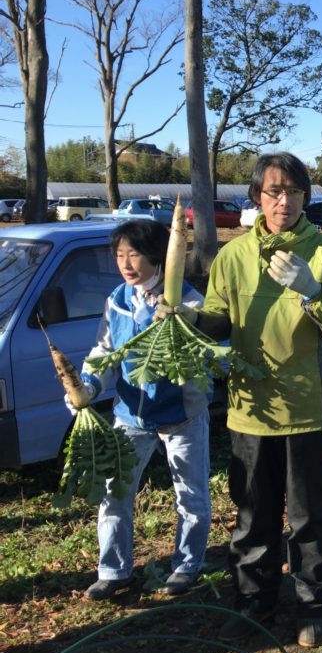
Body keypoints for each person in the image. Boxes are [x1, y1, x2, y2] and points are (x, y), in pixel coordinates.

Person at [159, 152, 322, 648]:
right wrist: (186, 320)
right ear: (256, 197)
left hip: (310, 410)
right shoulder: (232, 258)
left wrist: (313, 289)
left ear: (305, 198)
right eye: (273, 191)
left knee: (311, 517)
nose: (284, 200)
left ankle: (314, 607)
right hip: (250, 412)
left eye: (294, 191)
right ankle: (254, 604)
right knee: (253, 517)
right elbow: (218, 323)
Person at [68, 219, 211, 601]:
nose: (126, 264)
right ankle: (113, 570)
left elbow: (205, 344)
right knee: (114, 493)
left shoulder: (184, 298)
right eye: (119, 255)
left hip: (182, 413)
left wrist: (181, 316)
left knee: (191, 495)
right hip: (129, 414)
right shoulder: (117, 298)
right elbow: (103, 351)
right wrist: (87, 385)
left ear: (157, 256)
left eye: (134, 255)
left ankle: (187, 565)